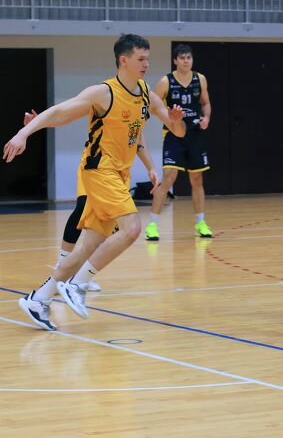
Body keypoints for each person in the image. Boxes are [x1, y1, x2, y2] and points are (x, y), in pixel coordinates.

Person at [5, 34, 185, 331]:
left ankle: (39, 299)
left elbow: (176, 130)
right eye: (141, 59)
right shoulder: (103, 93)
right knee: (132, 228)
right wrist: (24, 133)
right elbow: (60, 112)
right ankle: (78, 284)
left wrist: (176, 121)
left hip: (119, 175)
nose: (147, 64)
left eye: (148, 58)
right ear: (123, 60)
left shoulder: (145, 93)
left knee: (89, 244)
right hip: (99, 169)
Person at [22, 110, 159, 293]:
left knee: (102, 229)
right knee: (82, 208)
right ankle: (62, 268)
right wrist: (36, 124)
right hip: (94, 166)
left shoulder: (140, 105)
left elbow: (138, 138)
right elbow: (65, 114)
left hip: (117, 172)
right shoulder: (106, 99)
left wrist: (151, 167)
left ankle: (75, 276)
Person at [145, 44, 213, 241]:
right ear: (175, 60)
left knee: (197, 179)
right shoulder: (166, 81)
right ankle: (152, 225)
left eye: (188, 57)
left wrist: (206, 118)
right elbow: (152, 107)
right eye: (182, 58)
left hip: (195, 134)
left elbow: (206, 103)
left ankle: (200, 222)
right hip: (174, 134)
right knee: (168, 179)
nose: (186, 61)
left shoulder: (200, 79)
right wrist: (169, 117)